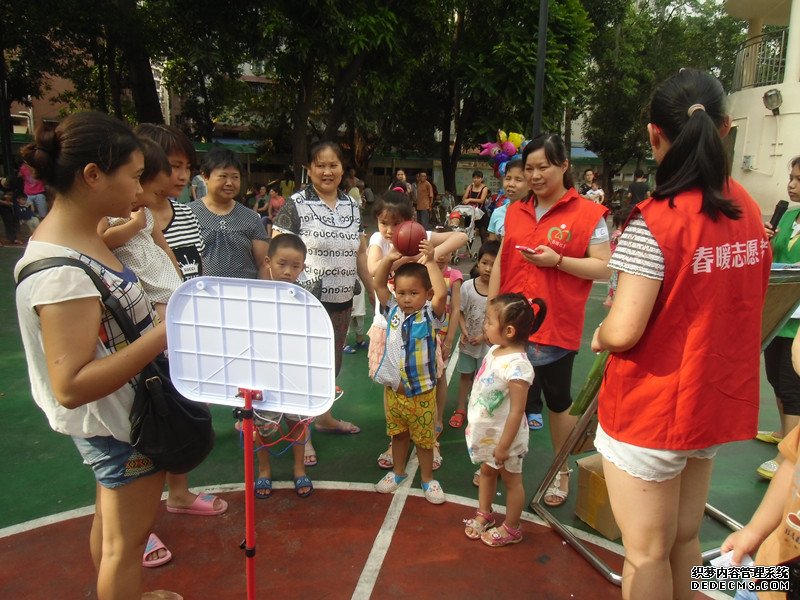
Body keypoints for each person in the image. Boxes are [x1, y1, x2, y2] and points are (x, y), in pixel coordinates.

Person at [591, 68, 771, 600]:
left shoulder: (656, 220)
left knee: (645, 553)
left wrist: (600, 334)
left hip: (651, 408)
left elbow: (624, 330)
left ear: (653, 134)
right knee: (685, 539)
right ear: (728, 128)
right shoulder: (748, 207)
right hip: (709, 401)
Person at [13, 111, 181, 600]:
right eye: (132, 176)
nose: (139, 190)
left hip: (118, 417)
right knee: (122, 547)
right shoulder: (61, 272)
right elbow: (71, 385)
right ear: (92, 176)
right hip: (114, 422)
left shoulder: (86, 237)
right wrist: (165, 332)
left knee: (112, 532)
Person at [488, 133, 611, 508]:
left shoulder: (590, 215)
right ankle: (498, 463)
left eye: (544, 167)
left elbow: (605, 266)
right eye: (530, 168)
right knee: (505, 400)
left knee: (557, 403)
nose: (536, 175)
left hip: (557, 324)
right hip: (511, 324)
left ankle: (561, 470)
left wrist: (557, 261)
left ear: (564, 166)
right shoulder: (515, 210)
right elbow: (501, 261)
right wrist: (492, 310)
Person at [135, 124, 227, 522]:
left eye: (187, 166)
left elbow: (196, 270)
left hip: (189, 334)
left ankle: (180, 492)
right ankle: (138, 519)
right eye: (173, 166)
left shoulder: (187, 212)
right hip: (147, 342)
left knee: (186, 414)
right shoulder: (128, 220)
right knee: (146, 425)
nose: (182, 175)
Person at [273, 141, 373, 465]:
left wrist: (372, 291)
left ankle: (325, 417)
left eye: (333, 165)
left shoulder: (352, 206)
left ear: (343, 169)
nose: (327, 171)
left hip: (342, 300)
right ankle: (304, 433)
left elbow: (359, 253)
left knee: (331, 366)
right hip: (306, 303)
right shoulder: (296, 205)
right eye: (320, 165)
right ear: (310, 168)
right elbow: (278, 252)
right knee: (305, 369)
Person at [366, 190, 467, 470]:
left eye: (395, 224)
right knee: (392, 384)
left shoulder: (418, 235)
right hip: (389, 325)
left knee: (432, 377)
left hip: (421, 325)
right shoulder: (379, 241)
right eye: (384, 222)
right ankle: (395, 438)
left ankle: (432, 431)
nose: (389, 229)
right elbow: (375, 272)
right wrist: (398, 258)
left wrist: (430, 256)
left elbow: (461, 237)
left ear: (409, 222)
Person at [464, 293, 543, 547]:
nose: (484, 325)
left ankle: (511, 527)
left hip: (505, 440)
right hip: (489, 434)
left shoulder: (518, 367)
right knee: (487, 472)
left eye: (488, 321)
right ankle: (484, 513)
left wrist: (503, 446)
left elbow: (517, 411)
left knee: (511, 481)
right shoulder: (496, 350)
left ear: (508, 330)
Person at [372, 243, 448, 504]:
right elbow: (379, 284)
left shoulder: (429, 315)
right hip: (395, 392)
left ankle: (428, 478)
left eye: (413, 293)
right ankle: (398, 472)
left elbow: (442, 293)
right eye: (402, 292)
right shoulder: (392, 310)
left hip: (422, 394)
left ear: (426, 294)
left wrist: (430, 261)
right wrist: (389, 259)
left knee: (425, 441)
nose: (406, 298)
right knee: (398, 435)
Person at [253, 233, 315, 499]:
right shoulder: (255, 296)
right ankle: (264, 471)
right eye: (282, 264)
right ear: (268, 261)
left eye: (295, 266)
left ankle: (299, 469)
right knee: (261, 427)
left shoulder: (306, 299)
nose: (288, 271)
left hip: (294, 374)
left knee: (298, 423)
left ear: (303, 266)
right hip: (263, 375)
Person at [98, 137, 183, 323]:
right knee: (166, 324)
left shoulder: (146, 212)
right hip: (142, 288)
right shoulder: (111, 215)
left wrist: (179, 277)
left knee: (177, 311)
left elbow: (165, 247)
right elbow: (103, 239)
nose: (154, 201)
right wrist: (134, 225)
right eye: (156, 193)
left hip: (161, 279)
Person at [755, 156, 800, 480]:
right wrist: (766, 241)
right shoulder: (788, 216)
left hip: (799, 320)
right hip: (780, 312)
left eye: (799, 180)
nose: (792, 185)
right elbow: (776, 258)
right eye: (792, 177)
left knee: (792, 383)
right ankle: (783, 429)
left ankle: (791, 454)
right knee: (775, 378)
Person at [191, 148, 269, 280]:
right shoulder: (187, 214)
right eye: (223, 176)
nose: (229, 183)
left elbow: (263, 264)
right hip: (200, 295)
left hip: (244, 295)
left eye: (235, 177)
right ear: (205, 177)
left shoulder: (251, 218)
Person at [450, 241, 498, 429]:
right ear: (478, 262)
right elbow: (459, 311)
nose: (488, 268)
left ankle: (479, 411)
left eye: (494, 264)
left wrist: (484, 336)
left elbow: (498, 318)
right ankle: (461, 409)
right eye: (485, 263)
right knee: (465, 376)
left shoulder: (499, 289)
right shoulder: (468, 287)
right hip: (469, 343)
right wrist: (464, 330)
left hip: (488, 346)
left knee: (484, 379)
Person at [487, 160, 529, 241]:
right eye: (508, 178)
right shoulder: (497, 212)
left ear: (530, 184)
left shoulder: (537, 213)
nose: (511, 184)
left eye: (518, 180)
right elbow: (491, 246)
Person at [603, 205, 633, 308]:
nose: (620, 228)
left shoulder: (619, 234)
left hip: (618, 265)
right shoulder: (619, 234)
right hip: (617, 265)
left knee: (615, 284)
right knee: (615, 284)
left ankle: (611, 299)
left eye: (622, 225)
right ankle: (611, 299)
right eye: (618, 225)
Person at [462, 169, 489, 241]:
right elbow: (464, 199)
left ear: (481, 179)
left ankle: (484, 251)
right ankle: (468, 251)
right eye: (474, 178)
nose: (476, 179)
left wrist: (470, 199)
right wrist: (466, 199)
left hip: (480, 212)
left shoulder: (484, 188)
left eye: (478, 178)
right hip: (470, 213)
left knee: (483, 233)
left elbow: (482, 200)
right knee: (469, 233)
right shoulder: (470, 186)